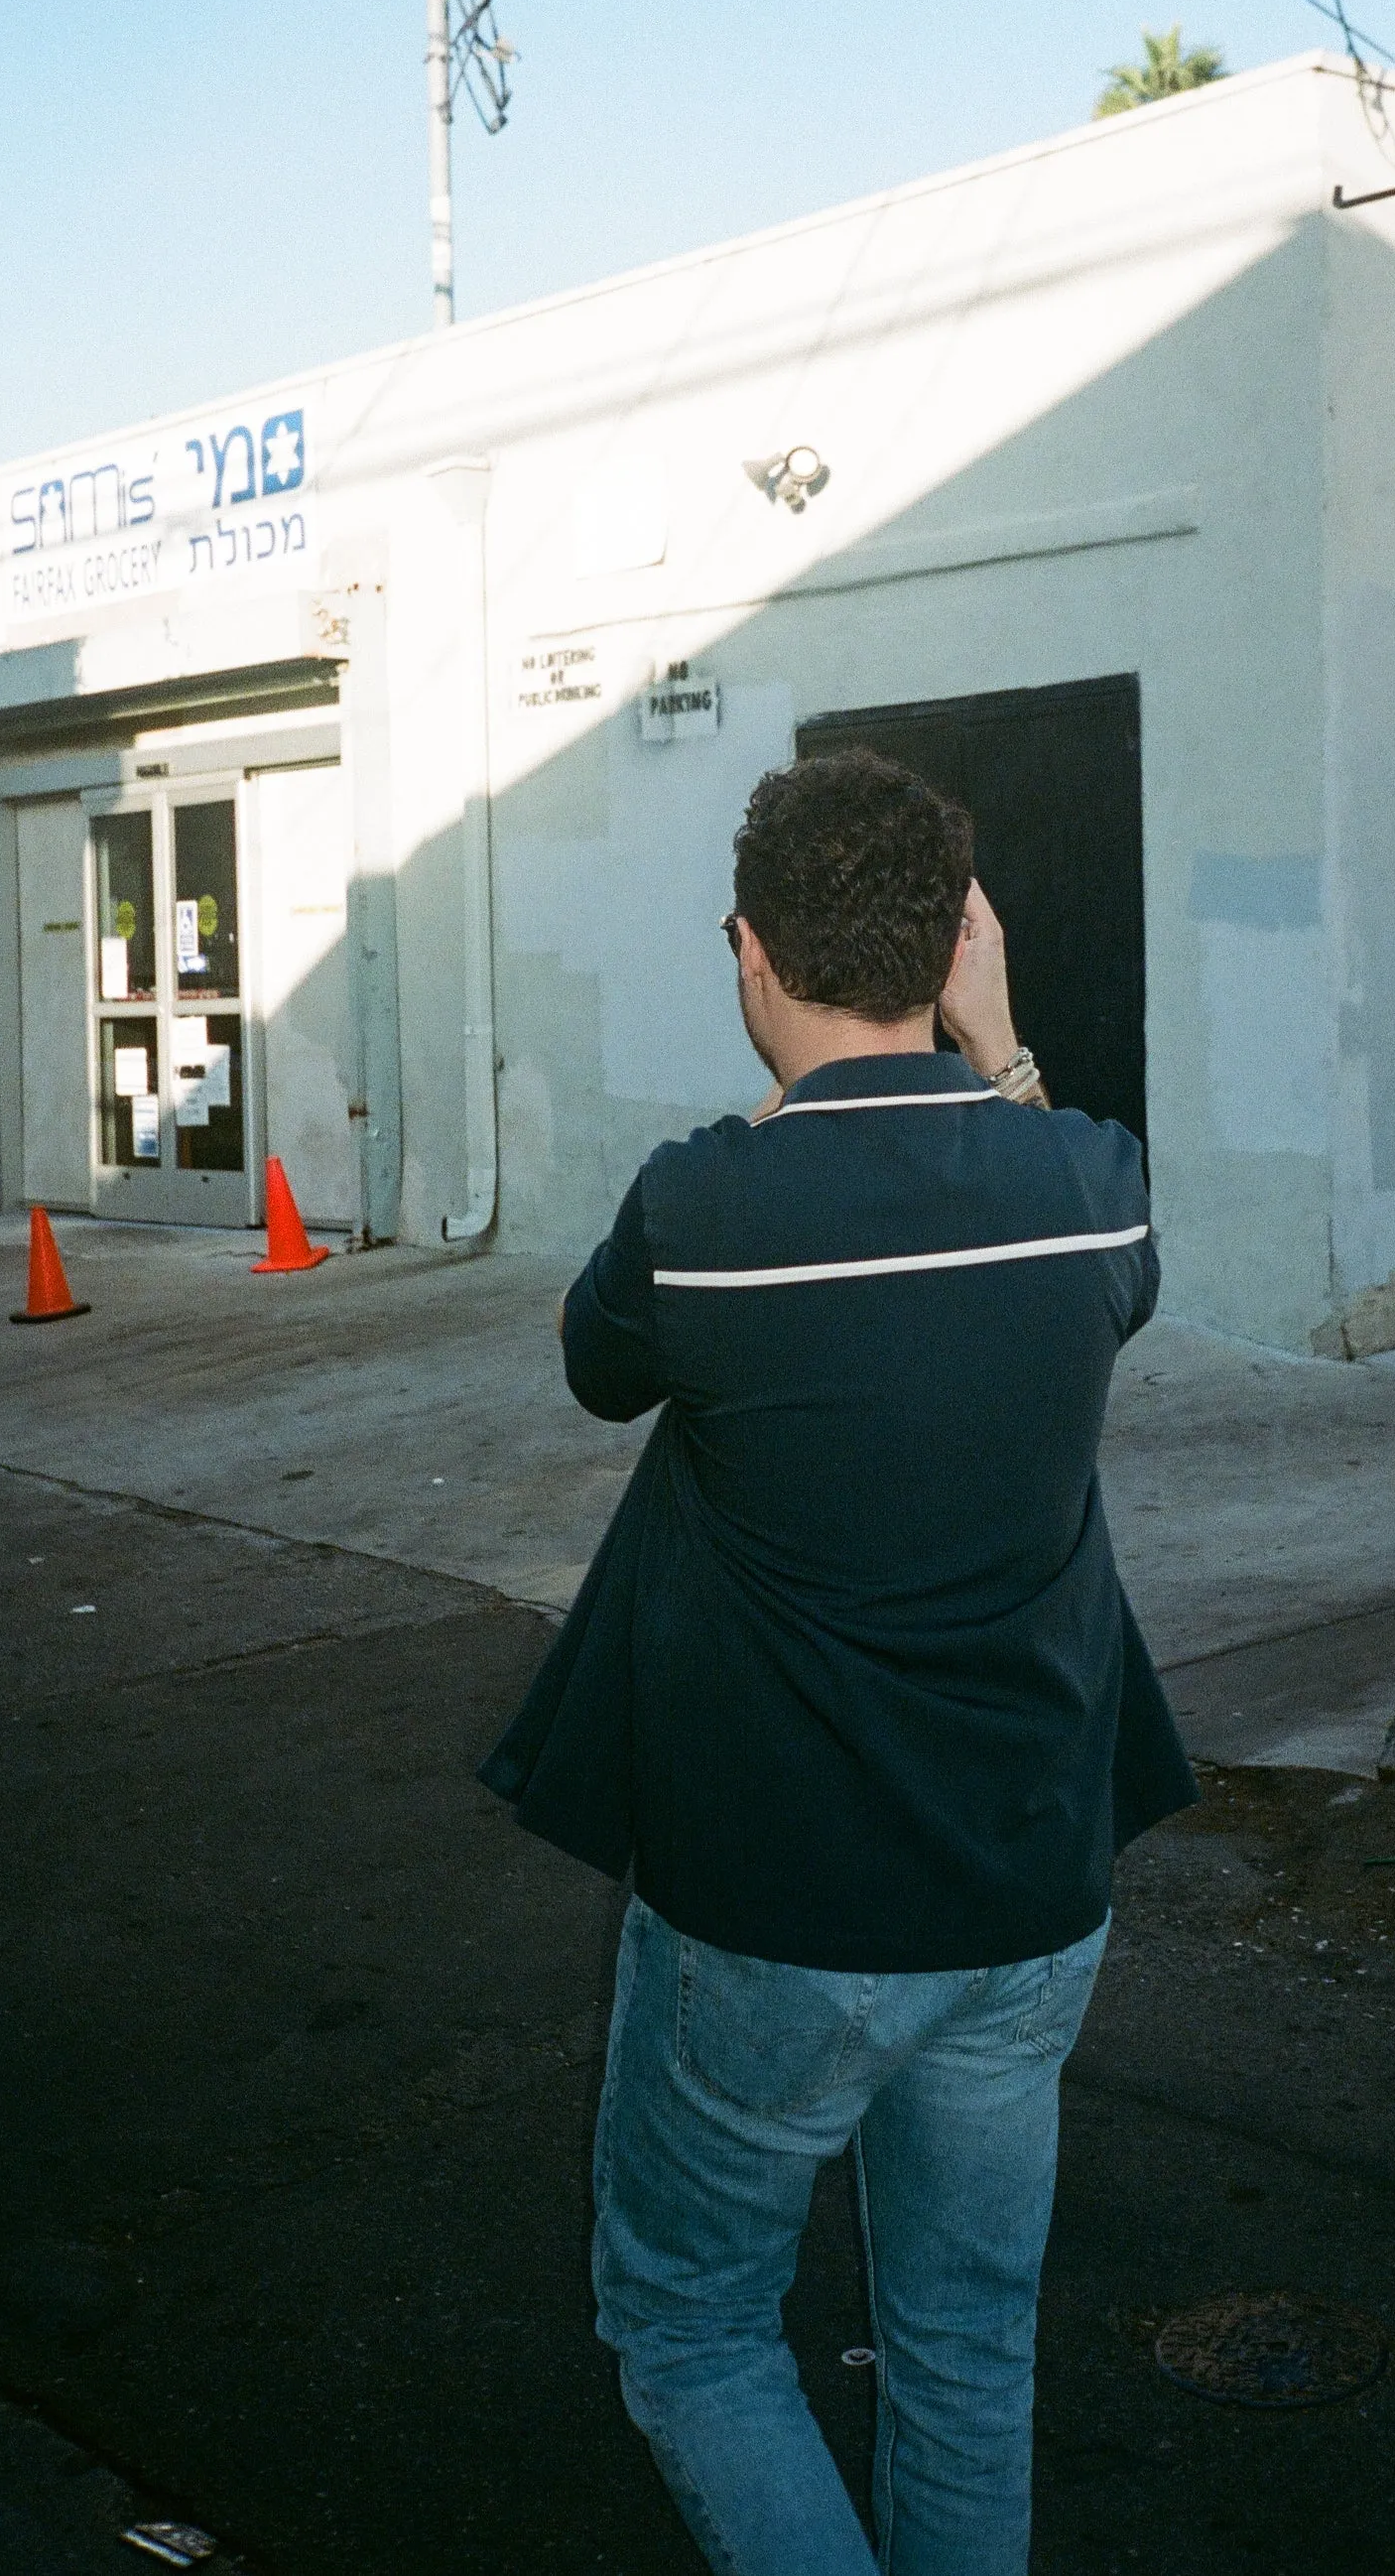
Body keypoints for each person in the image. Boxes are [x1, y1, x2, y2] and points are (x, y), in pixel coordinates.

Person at [483, 746, 1194, 2576]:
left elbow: (597, 1363)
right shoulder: (1089, 1181)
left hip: (774, 1903)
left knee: (694, 2322)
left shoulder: (704, 1210)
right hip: (1031, 1888)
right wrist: (1007, 1041)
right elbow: (1118, 1273)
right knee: (965, 2341)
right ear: (956, 944)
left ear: (749, 949)